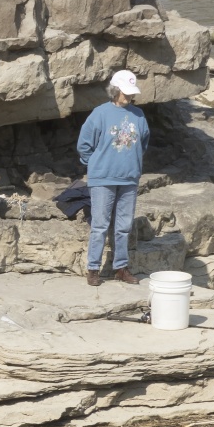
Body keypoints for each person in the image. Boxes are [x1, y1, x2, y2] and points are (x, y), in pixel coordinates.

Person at [76, 69, 149, 286]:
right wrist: (97, 164)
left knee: (124, 225)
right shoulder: (99, 113)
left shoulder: (139, 115)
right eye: (125, 93)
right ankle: (93, 269)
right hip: (102, 178)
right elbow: (84, 145)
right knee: (100, 224)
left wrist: (130, 162)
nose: (129, 97)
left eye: (131, 93)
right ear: (115, 90)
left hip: (129, 178)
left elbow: (143, 142)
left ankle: (121, 267)